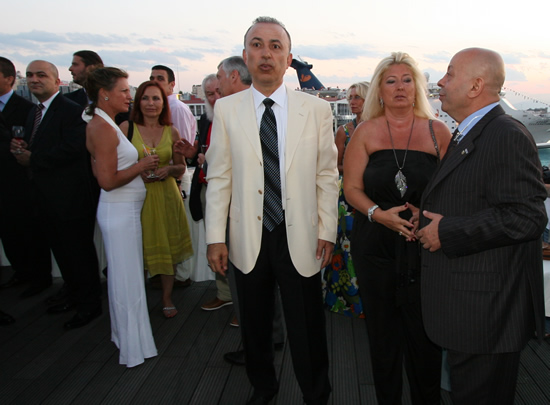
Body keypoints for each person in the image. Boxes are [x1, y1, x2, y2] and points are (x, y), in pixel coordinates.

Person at [205, 17, 338, 404]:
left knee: (307, 325)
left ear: (288, 58)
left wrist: (327, 230)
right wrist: (215, 238)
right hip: (248, 235)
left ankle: (316, 394)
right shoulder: (226, 109)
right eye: (258, 45)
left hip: (301, 234)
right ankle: (263, 390)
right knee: (255, 324)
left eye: (276, 46)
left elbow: (326, 175)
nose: (266, 53)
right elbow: (220, 177)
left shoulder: (316, 110)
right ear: (246, 55)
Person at [417, 48, 547, 405]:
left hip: (486, 316)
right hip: (471, 310)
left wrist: (447, 231)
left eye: (449, 73)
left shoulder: (505, 134)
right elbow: (478, 199)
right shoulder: (473, 132)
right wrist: (427, 216)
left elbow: (528, 216)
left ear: (475, 86)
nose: (440, 82)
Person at [344, 52, 450, 404]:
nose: (400, 87)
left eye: (407, 80)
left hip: (425, 246)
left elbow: (453, 190)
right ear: (380, 90)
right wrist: (378, 214)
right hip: (376, 247)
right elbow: (351, 189)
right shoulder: (365, 132)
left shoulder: (438, 132)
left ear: (417, 87)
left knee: (425, 335)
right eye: (391, 81)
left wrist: (429, 213)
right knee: (383, 335)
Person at [10, 60, 101, 329]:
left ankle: (89, 306)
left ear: (57, 81)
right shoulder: (34, 111)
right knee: (62, 254)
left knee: (78, 255)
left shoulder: (72, 111)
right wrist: (22, 146)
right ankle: (73, 296)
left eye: (41, 75)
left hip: (70, 200)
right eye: (30, 75)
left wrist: (33, 158)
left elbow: (74, 149)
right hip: (45, 199)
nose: (34, 79)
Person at [84, 67, 158, 367]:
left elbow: (100, 170)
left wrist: (138, 171)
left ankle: (131, 340)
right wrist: (141, 166)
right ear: (105, 94)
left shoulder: (105, 123)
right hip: (119, 213)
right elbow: (107, 180)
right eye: (124, 90)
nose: (130, 96)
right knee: (127, 281)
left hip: (124, 211)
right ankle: (132, 348)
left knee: (128, 279)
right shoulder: (102, 128)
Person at [122, 80, 193, 319]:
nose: (150, 103)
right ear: (137, 102)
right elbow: (116, 165)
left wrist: (168, 170)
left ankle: (166, 298)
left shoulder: (171, 131)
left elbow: (181, 167)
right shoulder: (126, 128)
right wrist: (137, 170)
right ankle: (137, 299)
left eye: (156, 98)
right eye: (145, 98)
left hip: (166, 196)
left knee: (168, 249)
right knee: (137, 249)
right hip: (138, 197)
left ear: (164, 103)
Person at [323, 81, 369, 318]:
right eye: (350, 97)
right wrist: (358, 169)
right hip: (348, 199)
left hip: (376, 195)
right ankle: (348, 301)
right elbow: (333, 165)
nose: (352, 102)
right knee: (347, 246)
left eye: (357, 97)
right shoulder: (344, 131)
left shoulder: (381, 128)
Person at [149, 65, 197, 288]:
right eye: (152, 78)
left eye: (160, 78)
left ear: (171, 84)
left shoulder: (176, 108)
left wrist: (176, 180)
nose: (154, 81)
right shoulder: (160, 108)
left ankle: (181, 276)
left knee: (179, 228)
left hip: (175, 177)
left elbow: (183, 146)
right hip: (160, 179)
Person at [0, 56, 35, 292]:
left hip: (18, 180)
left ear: (9, 79)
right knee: (7, 232)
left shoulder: (27, 109)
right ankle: (19, 272)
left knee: (23, 229)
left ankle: (34, 276)